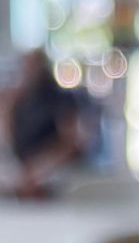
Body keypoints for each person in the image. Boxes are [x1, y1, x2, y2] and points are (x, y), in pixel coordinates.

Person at [7, 49, 85, 194]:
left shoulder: (60, 98)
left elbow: (73, 141)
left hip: (57, 173)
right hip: (24, 170)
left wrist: (42, 167)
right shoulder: (22, 100)